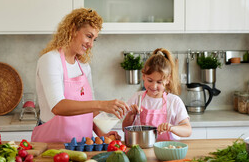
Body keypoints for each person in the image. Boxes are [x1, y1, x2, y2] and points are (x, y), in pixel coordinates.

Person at [31, 8, 129, 143]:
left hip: (83, 146)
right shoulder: (50, 60)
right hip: (53, 144)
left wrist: (103, 133)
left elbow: (92, 110)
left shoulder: (83, 67)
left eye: (94, 39)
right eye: (89, 36)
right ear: (72, 29)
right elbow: (58, 106)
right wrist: (102, 104)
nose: (91, 44)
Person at [122, 48, 192, 140]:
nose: (154, 86)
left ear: (167, 79)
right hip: (141, 149)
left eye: (159, 82)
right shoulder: (137, 98)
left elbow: (188, 130)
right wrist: (131, 115)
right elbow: (124, 128)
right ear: (143, 76)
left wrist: (171, 128)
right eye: (150, 80)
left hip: (167, 150)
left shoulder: (174, 101)